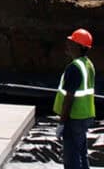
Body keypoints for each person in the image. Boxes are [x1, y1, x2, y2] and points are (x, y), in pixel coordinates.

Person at [53, 28, 95, 169]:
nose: (68, 45)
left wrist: (62, 123)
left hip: (74, 117)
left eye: (71, 42)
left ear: (79, 46)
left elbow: (69, 98)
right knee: (81, 153)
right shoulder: (88, 64)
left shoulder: (74, 68)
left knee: (71, 159)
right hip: (85, 116)